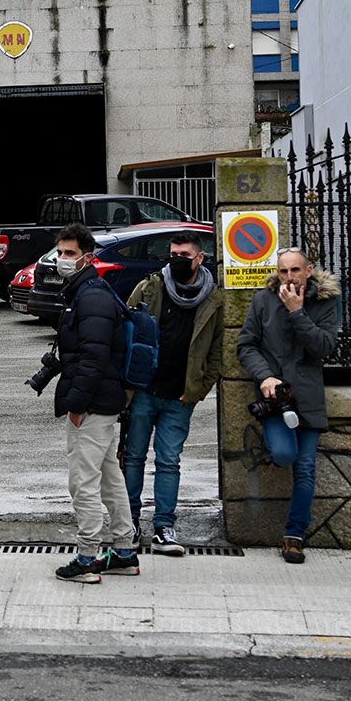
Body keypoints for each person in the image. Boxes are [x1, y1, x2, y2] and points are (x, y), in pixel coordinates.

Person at [236, 247, 341, 564]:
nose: (289, 277)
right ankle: (275, 444)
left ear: (308, 271)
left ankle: (294, 536)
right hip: (275, 399)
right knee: (284, 454)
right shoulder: (263, 300)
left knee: (305, 470)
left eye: (295, 270)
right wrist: (265, 375)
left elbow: (325, 347)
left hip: (307, 399)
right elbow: (246, 345)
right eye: (283, 271)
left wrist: (298, 312)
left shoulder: (325, 301)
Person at [48, 223, 139, 584]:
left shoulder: (92, 297)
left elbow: (93, 357)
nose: (62, 259)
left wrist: (78, 403)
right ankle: (124, 550)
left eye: (70, 254)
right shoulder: (86, 292)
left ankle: (88, 556)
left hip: (94, 403)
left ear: (88, 257)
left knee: (83, 481)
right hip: (103, 401)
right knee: (109, 477)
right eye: (60, 252)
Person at [123, 230, 223, 556]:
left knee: (169, 462)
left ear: (199, 259)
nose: (177, 261)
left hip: (180, 398)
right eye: (173, 254)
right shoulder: (150, 287)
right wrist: (129, 383)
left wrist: (198, 389)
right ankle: (130, 524)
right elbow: (126, 332)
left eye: (184, 256)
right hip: (143, 393)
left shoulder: (213, 298)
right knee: (133, 458)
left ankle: (165, 527)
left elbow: (218, 351)